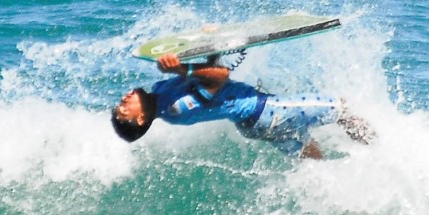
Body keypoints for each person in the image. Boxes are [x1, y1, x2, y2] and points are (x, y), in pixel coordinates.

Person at [111, 53, 373, 159]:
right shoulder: (177, 109)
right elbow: (220, 77)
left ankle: (339, 181)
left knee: (310, 154)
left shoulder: (160, 91)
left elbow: (204, 74)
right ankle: (379, 147)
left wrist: (212, 49)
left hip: (254, 124)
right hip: (267, 113)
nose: (123, 101)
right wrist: (179, 67)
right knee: (341, 108)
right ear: (142, 119)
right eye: (124, 110)